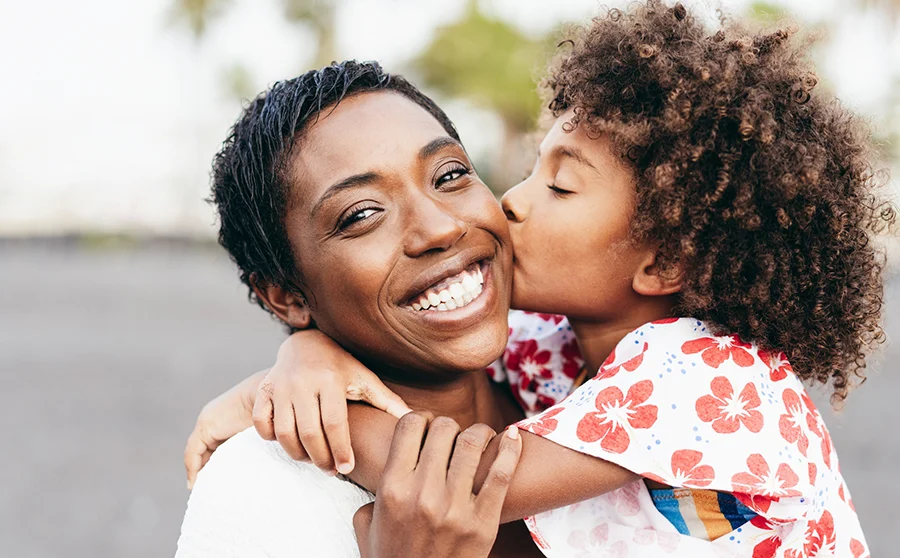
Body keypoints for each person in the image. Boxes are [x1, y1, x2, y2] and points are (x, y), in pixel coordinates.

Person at [187, 2, 890, 556]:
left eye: (560, 187)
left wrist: (274, 405)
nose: (510, 201)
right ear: (285, 293)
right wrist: (301, 355)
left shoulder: (714, 377)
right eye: (362, 213)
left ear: (663, 264)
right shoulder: (554, 347)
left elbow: (472, 477)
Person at [175, 59, 635, 558]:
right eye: (362, 214)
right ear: (287, 297)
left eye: (450, 174)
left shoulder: (577, 380)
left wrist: (268, 383)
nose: (440, 227)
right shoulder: (257, 497)